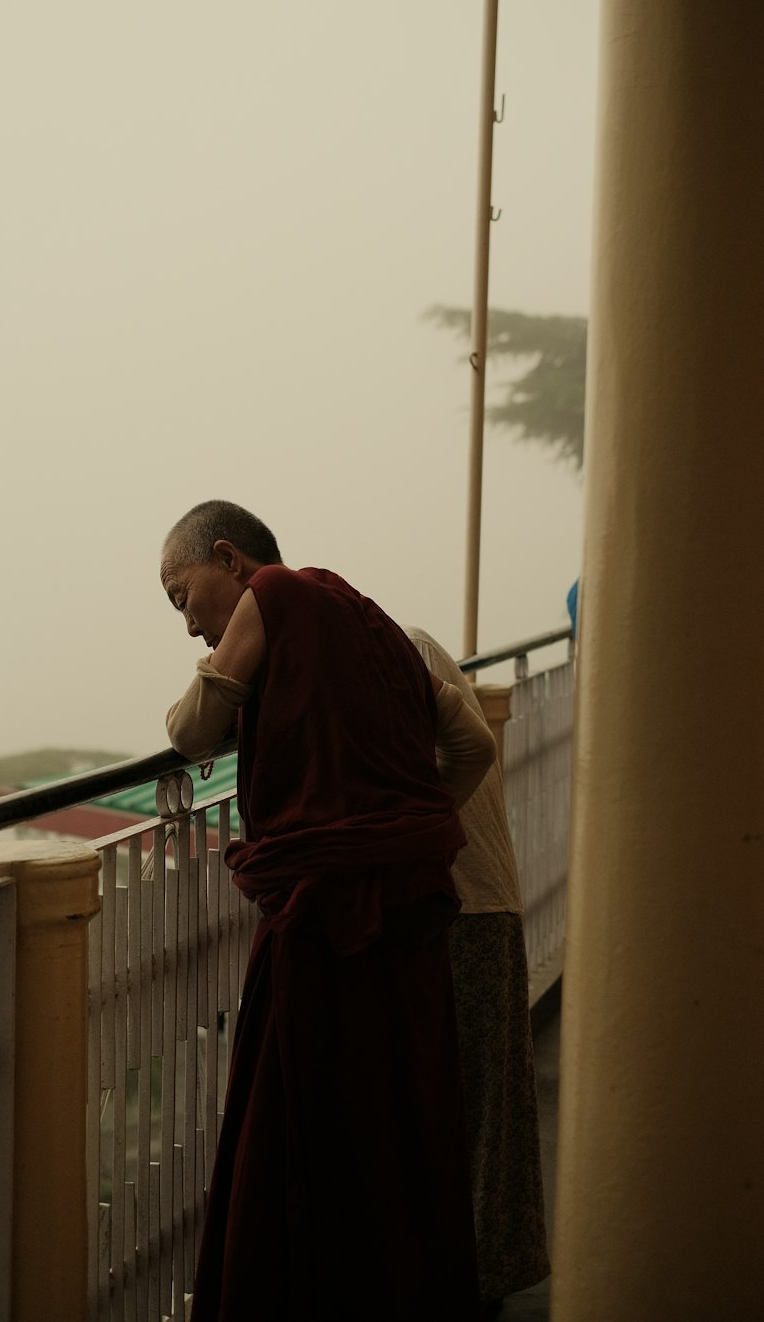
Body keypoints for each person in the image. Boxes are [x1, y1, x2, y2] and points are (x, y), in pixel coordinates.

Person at [160, 500, 497, 1322]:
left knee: (303, 1132)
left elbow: (190, 732)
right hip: (406, 906)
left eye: (182, 596)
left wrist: (352, 843)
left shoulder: (276, 594)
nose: (190, 626)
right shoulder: (373, 624)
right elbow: (475, 748)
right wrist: (403, 830)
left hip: (326, 921)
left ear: (231, 561)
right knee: (399, 1122)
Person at [404, 627, 551, 1314]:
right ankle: (473, 1278)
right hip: (466, 901)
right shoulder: (400, 644)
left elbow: (452, 757)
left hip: (464, 905)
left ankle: (471, 1283)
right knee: (476, 1105)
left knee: (472, 1111)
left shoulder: (391, 651)